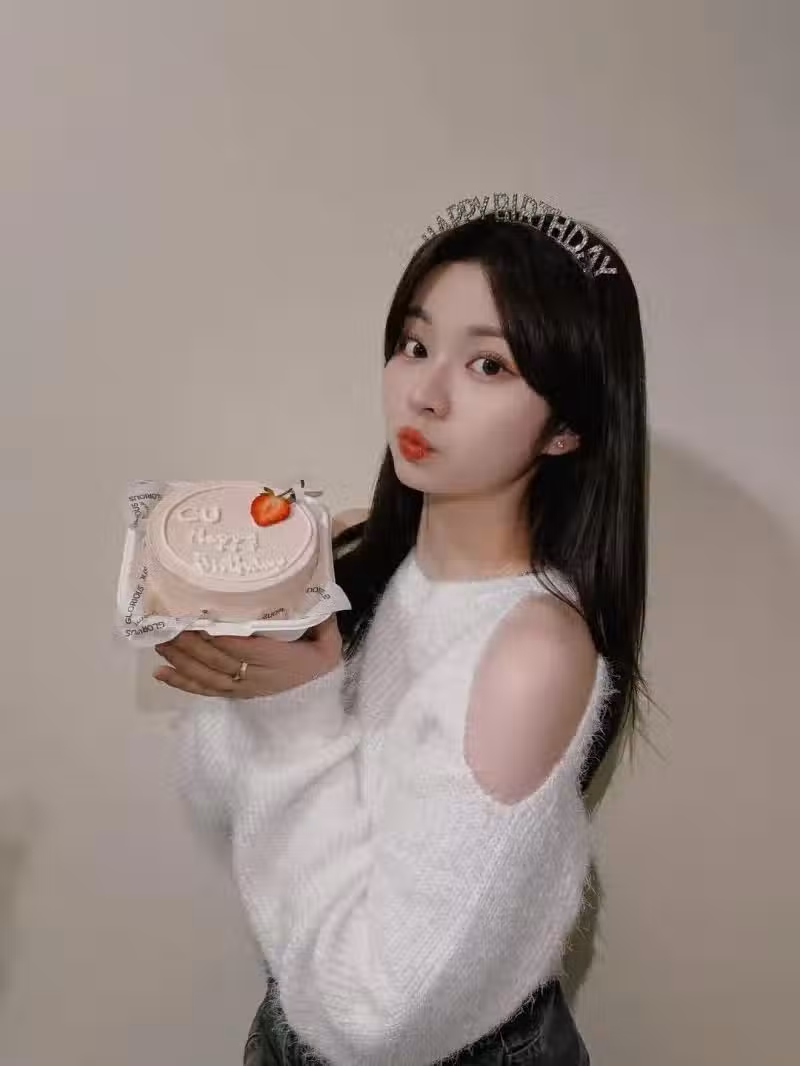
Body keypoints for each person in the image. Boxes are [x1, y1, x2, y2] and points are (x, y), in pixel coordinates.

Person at [153, 199, 652, 1065]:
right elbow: (220, 801)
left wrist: (293, 716)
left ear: (568, 425)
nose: (424, 392)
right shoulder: (357, 553)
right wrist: (249, 640)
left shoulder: (532, 654)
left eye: (489, 365)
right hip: (290, 1023)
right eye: (416, 345)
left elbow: (373, 1017)